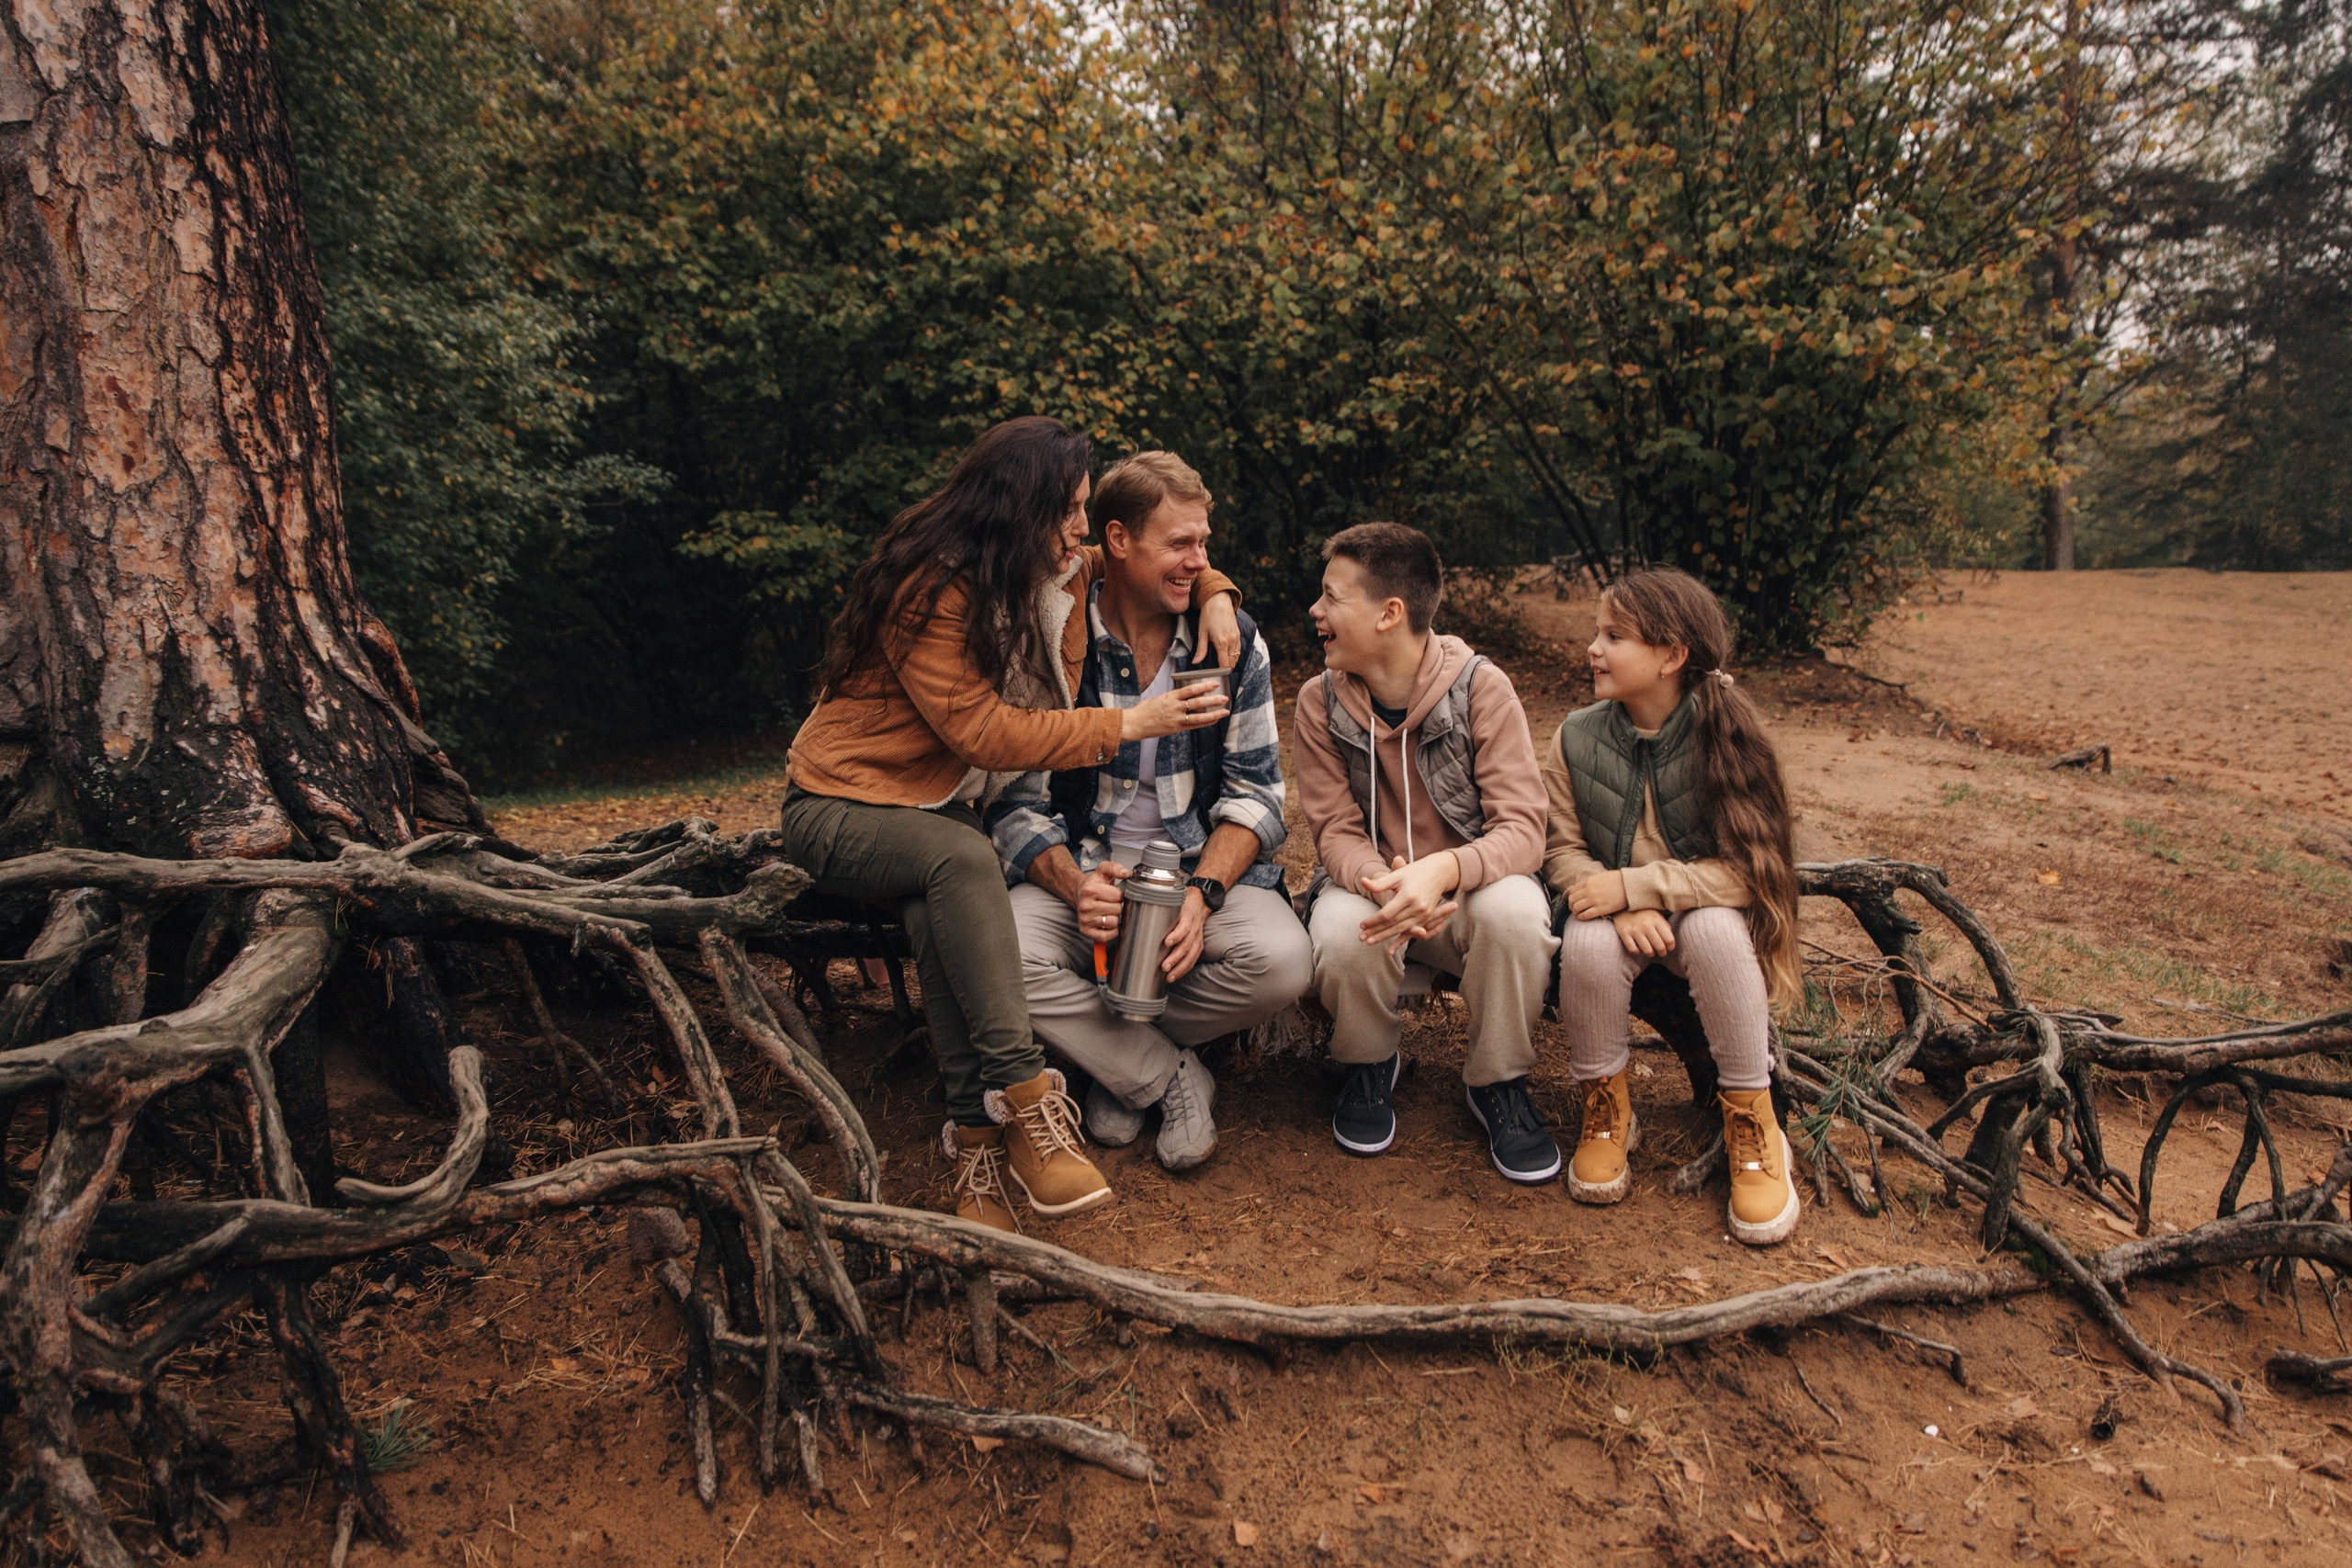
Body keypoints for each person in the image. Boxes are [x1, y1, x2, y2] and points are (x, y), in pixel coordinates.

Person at [779, 417, 1242, 1232]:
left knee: (941, 899)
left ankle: (977, 1150)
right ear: (1016, 505)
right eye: (1065, 507)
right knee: (961, 864)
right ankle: (1028, 1097)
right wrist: (1135, 723)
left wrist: (1215, 592)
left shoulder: (1043, 566)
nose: (1078, 525)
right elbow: (983, 735)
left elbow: (1146, 554)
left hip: (933, 822)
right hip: (839, 807)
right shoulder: (929, 590)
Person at [986, 453, 1312, 1172]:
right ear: (1118, 541)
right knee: (998, 954)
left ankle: (1110, 1059)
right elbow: (1016, 802)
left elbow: (1255, 794)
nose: (1199, 562)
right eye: (1180, 544)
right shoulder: (1057, 637)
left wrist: (1202, 896)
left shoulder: (1230, 639)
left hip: (1192, 867)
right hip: (1086, 867)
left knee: (1284, 962)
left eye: (1205, 544)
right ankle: (1164, 1074)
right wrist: (1076, 887)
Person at [1544, 568, 1804, 1247]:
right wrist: (1610, 900)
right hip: (1613, 911)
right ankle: (1607, 1107)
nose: (1593, 648)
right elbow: (1560, 848)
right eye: (1597, 634)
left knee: (1718, 932)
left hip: (1702, 907)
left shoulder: (1729, 733)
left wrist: (1636, 887)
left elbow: (1752, 870)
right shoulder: (1576, 736)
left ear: (1671, 655)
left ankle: (1753, 1115)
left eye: (1613, 636)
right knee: (1590, 942)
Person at [1294, 524, 1559, 1180]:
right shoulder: (1318, 701)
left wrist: (1445, 869)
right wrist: (1383, 880)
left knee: (1518, 914)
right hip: (1377, 892)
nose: (1314, 611)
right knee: (1336, 926)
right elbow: (1332, 830)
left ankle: (1497, 1080)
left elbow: (1524, 827)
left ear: (1390, 614)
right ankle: (1367, 1063)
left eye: (1330, 597)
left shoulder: (1481, 689)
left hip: (1466, 894)